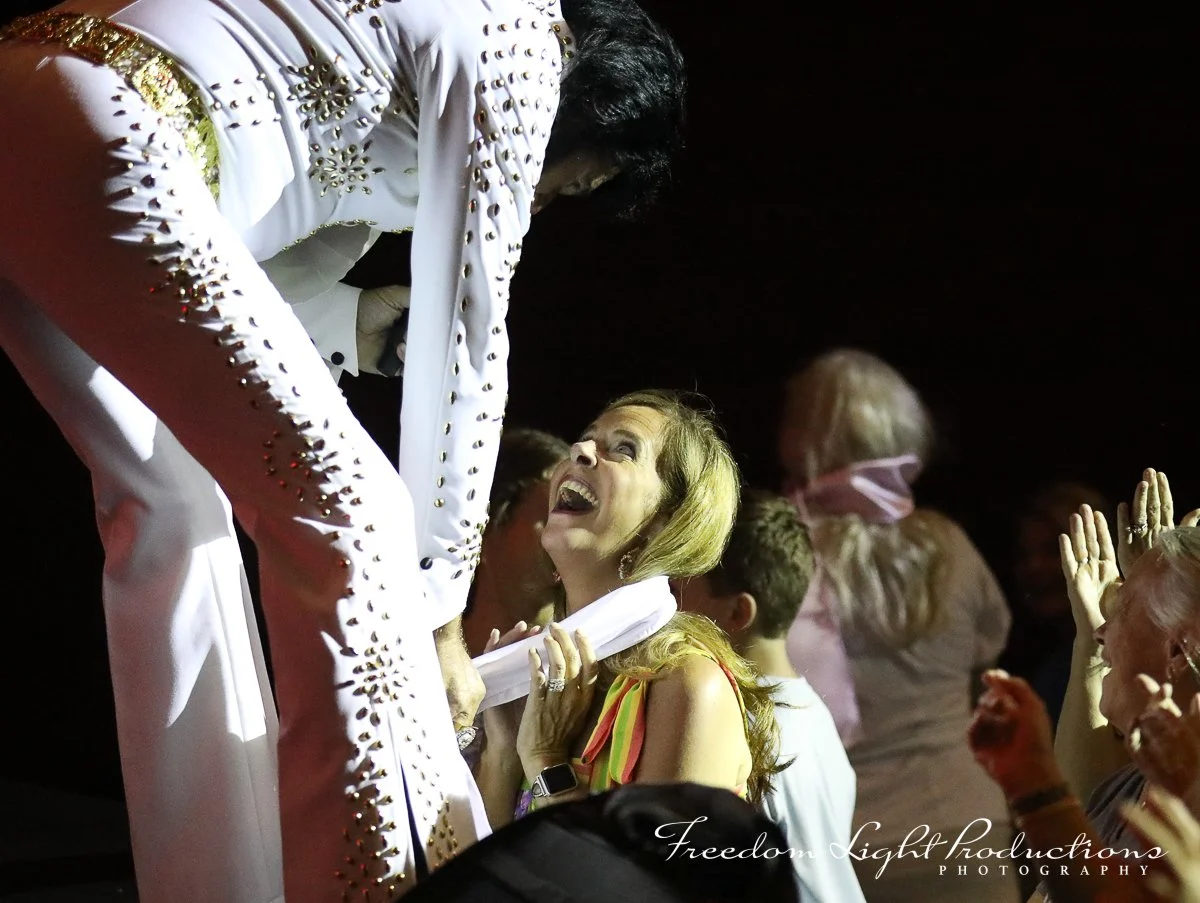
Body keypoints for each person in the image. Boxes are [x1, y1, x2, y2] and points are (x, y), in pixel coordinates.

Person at [0, 1, 687, 900]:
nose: (548, 201)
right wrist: (441, 613)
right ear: (591, 111)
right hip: (121, 129)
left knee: (175, 509)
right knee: (356, 514)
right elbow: (469, 342)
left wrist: (353, 324)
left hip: (34, 108)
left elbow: (240, 266)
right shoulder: (523, 46)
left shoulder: (417, 67)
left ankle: (214, 884)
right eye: (572, 186)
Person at [472, 389, 780, 827]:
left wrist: (545, 760)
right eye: (585, 438)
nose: (580, 451)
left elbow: (650, 884)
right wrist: (503, 751)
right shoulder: (538, 675)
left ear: (667, 521)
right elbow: (480, 874)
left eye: (624, 448)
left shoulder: (687, 684)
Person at [776, 348, 1019, 903]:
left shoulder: (782, 555)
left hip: (834, 844)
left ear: (803, 435)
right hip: (963, 829)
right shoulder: (950, 546)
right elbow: (990, 645)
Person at [675, 488, 866, 903]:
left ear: (738, 613)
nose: (668, 602)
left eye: (680, 585)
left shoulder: (740, 722)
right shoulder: (812, 711)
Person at [462, 427, 570, 657]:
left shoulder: (591, 671)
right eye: (551, 515)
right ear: (487, 527)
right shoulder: (420, 663)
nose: (567, 536)